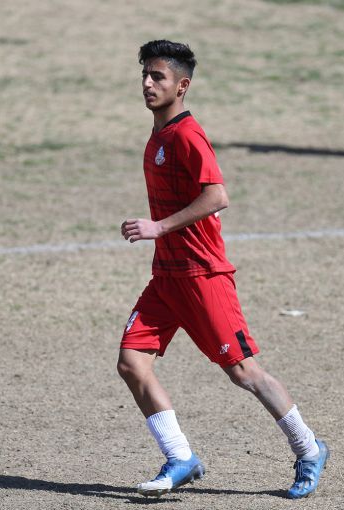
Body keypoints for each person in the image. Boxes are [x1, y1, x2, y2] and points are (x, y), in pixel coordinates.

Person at [117, 39, 329, 499]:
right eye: (144, 75)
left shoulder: (187, 135)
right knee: (132, 363)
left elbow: (217, 196)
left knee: (244, 373)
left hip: (202, 276)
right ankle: (180, 458)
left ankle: (309, 448)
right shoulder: (158, 136)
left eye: (158, 76)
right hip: (167, 276)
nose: (148, 83)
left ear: (182, 86)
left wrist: (158, 226)